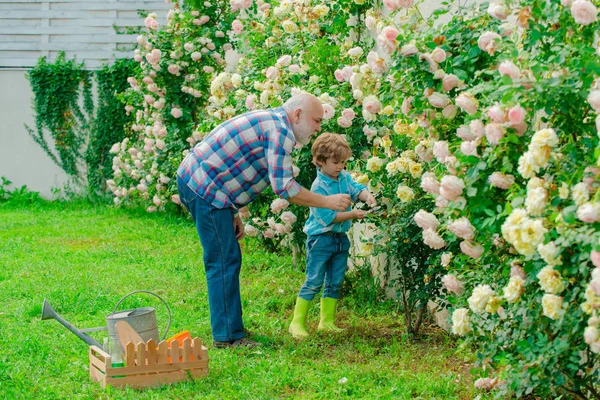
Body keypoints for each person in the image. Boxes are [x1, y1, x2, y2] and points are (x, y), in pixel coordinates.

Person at [176, 94, 352, 348]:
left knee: (227, 258)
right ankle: (227, 337)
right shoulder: (280, 131)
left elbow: (231, 166)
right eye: (316, 120)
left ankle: (231, 329)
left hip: (208, 186)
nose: (318, 128)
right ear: (298, 114)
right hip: (204, 187)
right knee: (223, 260)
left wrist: (233, 211)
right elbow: (284, 187)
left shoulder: (275, 123)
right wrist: (327, 201)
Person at [289, 133, 377, 338]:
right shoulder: (318, 187)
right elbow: (327, 218)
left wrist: (367, 196)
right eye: (336, 162)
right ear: (320, 161)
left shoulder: (344, 177)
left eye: (344, 162)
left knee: (335, 280)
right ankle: (297, 322)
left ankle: (326, 321)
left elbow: (356, 189)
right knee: (314, 280)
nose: (340, 166)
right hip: (320, 240)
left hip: (339, 239)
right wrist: (353, 215)